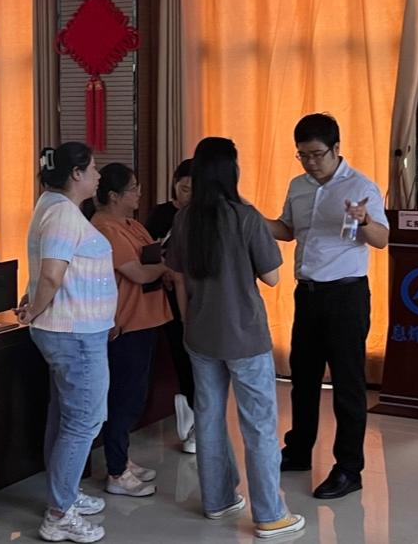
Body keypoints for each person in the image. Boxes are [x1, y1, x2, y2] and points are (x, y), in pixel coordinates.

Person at [165, 137, 305, 539]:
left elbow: (176, 273)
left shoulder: (184, 219)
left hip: (200, 333)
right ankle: (270, 514)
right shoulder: (245, 217)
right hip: (244, 335)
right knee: (258, 424)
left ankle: (218, 499)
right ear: (232, 172)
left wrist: (190, 318)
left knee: (208, 416)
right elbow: (272, 276)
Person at [267, 113, 389, 500]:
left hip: (346, 297)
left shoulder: (360, 186)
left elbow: (381, 239)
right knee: (303, 378)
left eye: (317, 154)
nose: (310, 162)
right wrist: (253, 220)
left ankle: (349, 469)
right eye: (302, 155)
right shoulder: (298, 186)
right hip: (307, 294)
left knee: (347, 384)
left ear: (336, 149)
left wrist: (364, 219)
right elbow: (288, 230)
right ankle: (298, 450)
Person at [15, 142, 116, 544]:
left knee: (66, 418)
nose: (97, 176)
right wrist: (35, 309)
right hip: (74, 332)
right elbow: (52, 274)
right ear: (76, 174)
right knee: (82, 422)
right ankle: (59, 514)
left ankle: (65, 495)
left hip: (73, 330)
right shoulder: (61, 213)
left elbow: (48, 270)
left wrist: (34, 303)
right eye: (93, 169)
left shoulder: (54, 206)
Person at [90, 163, 175, 498]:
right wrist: (165, 267)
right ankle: (116, 471)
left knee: (135, 395)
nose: (139, 193)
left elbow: (152, 254)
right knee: (123, 398)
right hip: (126, 323)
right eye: (133, 188)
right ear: (114, 195)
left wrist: (161, 263)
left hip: (147, 318)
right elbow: (138, 273)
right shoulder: (105, 228)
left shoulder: (132, 224)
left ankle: (122, 458)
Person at [143, 158, 197, 453]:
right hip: (164, 295)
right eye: (184, 187)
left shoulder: (203, 216)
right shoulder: (162, 213)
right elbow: (147, 250)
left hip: (194, 295)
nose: (188, 193)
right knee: (177, 353)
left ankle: (196, 414)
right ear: (175, 184)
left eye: (194, 188)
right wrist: (163, 268)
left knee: (195, 358)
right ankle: (187, 405)